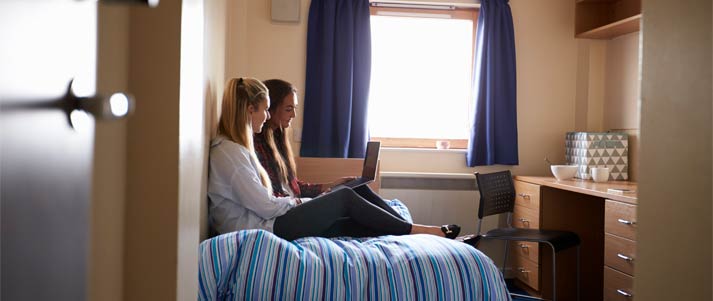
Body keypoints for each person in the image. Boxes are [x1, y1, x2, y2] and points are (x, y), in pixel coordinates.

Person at [207, 77, 460, 241]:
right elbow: (266, 205)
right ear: (251, 109)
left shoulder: (240, 149)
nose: (265, 116)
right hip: (269, 226)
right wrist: (301, 202)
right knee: (345, 198)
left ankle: (410, 231)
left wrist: (314, 194)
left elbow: (274, 196)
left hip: (274, 220)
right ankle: (423, 231)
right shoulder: (230, 153)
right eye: (264, 109)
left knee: (348, 221)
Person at [254, 78, 407, 224]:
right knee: (347, 199)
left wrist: (330, 185)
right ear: (270, 109)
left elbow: (294, 187)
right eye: (288, 109)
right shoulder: (258, 146)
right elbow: (275, 198)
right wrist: (319, 199)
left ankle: (402, 223)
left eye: (294, 109)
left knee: (358, 188)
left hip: (298, 205)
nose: (293, 115)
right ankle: (405, 227)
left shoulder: (277, 140)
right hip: (290, 212)